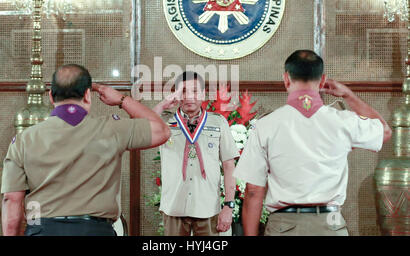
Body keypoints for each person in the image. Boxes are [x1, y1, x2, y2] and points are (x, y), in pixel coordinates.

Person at [234, 50, 392, 236]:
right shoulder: (343, 121)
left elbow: (253, 191)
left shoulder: (266, 126)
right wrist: (348, 95)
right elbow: (385, 131)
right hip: (330, 225)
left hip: (284, 226)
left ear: (286, 79)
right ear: (323, 80)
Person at [1, 64, 170, 236]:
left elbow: (12, 200)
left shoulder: (24, 139)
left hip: (42, 229)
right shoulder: (112, 129)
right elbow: (161, 130)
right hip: (95, 230)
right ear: (88, 95)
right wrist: (121, 99)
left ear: (51, 96)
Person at [153, 71, 240, 236]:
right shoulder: (163, 121)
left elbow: (229, 166)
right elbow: (140, 124)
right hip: (174, 207)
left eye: (194, 91)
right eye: (183, 91)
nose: (189, 96)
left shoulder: (218, 122)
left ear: (203, 94)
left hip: (208, 207)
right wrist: (164, 104)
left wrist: (228, 206)